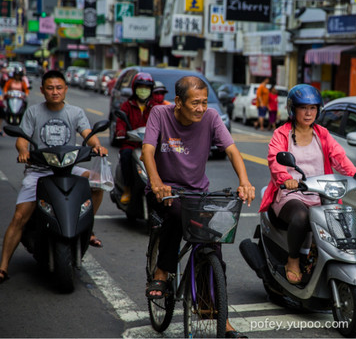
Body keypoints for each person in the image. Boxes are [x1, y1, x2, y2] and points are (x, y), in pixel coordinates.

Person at [141, 76, 255, 338]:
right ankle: (162, 270)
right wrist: (157, 182)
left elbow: (232, 150)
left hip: (196, 193)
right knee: (175, 212)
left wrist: (245, 181)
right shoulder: (160, 114)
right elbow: (147, 151)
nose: (201, 108)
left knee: (213, 240)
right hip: (165, 191)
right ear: (178, 102)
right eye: (195, 103)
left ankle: (218, 314)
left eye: (204, 102)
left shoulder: (212, 117)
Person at [259, 84, 356, 319]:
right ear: (293, 110)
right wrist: (286, 179)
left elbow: (339, 157)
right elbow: (276, 161)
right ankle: (293, 260)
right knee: (302, 215)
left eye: (313, 108)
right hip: (290, 194)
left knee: (348, 228)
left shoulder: (322, 134)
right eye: (303, 108)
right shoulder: (281, 134)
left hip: (320, 194)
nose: (309, 113)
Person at [0, 70, 108, 283]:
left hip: (68, 168)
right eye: (50, 88)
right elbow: (22, 139)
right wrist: (23, 151)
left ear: (66, 89)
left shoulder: (75, 112)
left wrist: (97, 146)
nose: (55, 92)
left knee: (97, 183)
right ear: (42, 90)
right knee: (20, 216)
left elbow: (88, 134)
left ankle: (88, 226)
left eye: (59, 88)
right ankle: (3, 266)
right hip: (40, 170)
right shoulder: (33, 112)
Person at [115, 72, 155, 204]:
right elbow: (120, 121)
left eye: (147, 87)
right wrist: (121, 131)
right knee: (125, 155)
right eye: (140, 87)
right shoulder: (127, 105)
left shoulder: (154, 106)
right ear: (135, 88)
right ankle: (127, 188)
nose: (143, 90)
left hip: (150, 144)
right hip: (131, 143)